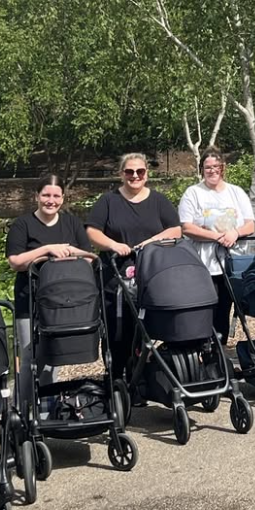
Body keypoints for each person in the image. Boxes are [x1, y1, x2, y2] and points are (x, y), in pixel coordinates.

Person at [85, 153, 181, 380]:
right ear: (121, 174)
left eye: (140, 171)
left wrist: (150, 242)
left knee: (148, 328)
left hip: (151, 275)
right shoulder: (108, 201)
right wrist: (114, 245)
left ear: (147, 173)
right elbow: (92, 232)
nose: (135, 176)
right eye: (129, 172)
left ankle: (143, 379)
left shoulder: (158, 200)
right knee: (118, 332)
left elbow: (175, 230)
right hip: (115, 278)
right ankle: (117, 379)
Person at [6, 174, 94, 416]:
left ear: (63, 198)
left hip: (63, 303)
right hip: (30, 300)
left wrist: (69, 254)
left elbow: (88, 257)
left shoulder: (72, 224)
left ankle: (48, 410)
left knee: (55, 355)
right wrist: (46, 250)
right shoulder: (22, 225)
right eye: (46, 195)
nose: (50, 200)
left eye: (56, 196)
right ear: (36, 196)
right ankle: (22, 411)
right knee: (28, 356)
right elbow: (15, 261)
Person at [178, 148, 255, 344]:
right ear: (201, 169)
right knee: (204, 310)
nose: (212, 171)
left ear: (222, 168)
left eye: (215, 167)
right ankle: (201, 351)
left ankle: (219, 355)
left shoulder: (235, 192)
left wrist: (235, 233)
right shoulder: (193, 193)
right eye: (207, 167)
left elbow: (250, 224)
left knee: (223, 310)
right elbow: (186, 227)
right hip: (203, 265)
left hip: (230, 264)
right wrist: (215, 236)